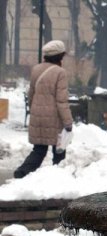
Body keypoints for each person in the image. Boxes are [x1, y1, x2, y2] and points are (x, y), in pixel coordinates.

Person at [14, 40, 73, 179]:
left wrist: (35, 110)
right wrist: (68, 122)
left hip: (37, 117)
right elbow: (61, 100)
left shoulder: (36, 69)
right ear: (59, 56)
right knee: (59, 150)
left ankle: (22, 171)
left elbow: (31, 94)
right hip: (54, 119)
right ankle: (58, 177)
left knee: (39, 150)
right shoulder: (60, 73)